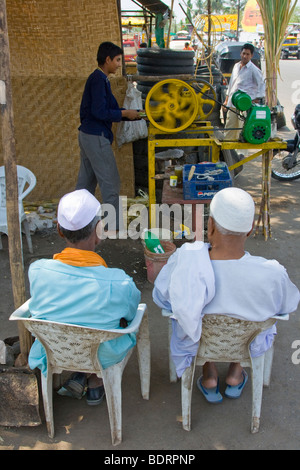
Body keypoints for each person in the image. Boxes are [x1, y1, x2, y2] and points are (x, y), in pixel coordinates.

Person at [153, 187, 300, 403]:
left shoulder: (185, 261)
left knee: (191, 314)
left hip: (199, 343)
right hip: (246, 345)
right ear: (249, 230)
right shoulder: (272, 273)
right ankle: (235, 372)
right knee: (259, 315)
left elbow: (162, 298)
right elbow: (287, 306)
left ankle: (209, 373)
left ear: (210, 225)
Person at [28, 189, 141, 405]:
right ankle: (95, 379)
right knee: (115, 324)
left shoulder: (38, 271)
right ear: (99, 229)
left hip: (56, 349)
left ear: (60, 230)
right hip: (102, 355)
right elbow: (131, 311)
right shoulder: (119, 282)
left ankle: (79, 372)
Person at [76, 42, 142, 231]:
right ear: (107, 60)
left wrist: (131, 113)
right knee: (110, 182)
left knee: (86, 183)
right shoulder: (98, 79)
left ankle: (77, 221)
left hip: (88, 135)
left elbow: (110, 109)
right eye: (118, 60)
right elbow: (100, 111)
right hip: (95, 136)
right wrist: (124, 114)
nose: (120, 64)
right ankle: (113, 228)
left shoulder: (102, 80)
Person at [222, 43, 265, 141]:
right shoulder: (236, 66)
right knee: (230, 127)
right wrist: (226, 100)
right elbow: (231, 84)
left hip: (245, 105)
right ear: (240, 53)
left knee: (242, 131)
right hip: (233, 103)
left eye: (248, 54)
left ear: (251, 56)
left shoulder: (254, 70)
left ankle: (241, 155)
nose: (245, 56)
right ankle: (228, 152)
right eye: (244, 53)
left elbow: (261, 85)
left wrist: (256, 99)